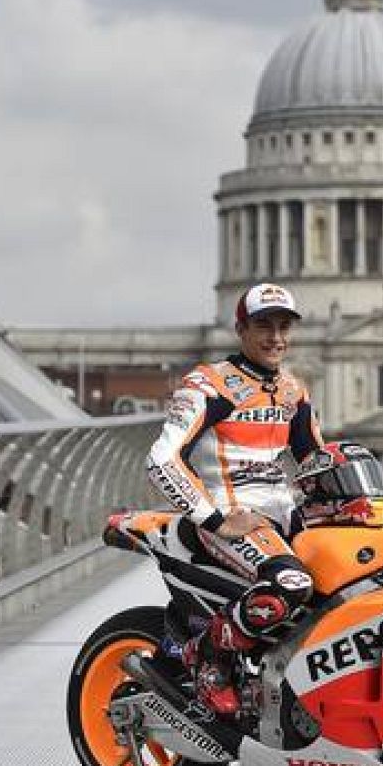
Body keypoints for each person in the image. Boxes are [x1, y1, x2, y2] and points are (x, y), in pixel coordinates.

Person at [146, 282, 324, 716]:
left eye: (284, 327)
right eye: (264, 325)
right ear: (241, 328)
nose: (276, 337)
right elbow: (161, 459)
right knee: (292, 584)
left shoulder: (292, 391)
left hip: (282, 516)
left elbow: (317, 461)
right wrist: (215, 520)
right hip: (232, 518)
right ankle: (210, 657)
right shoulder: (209, 385)